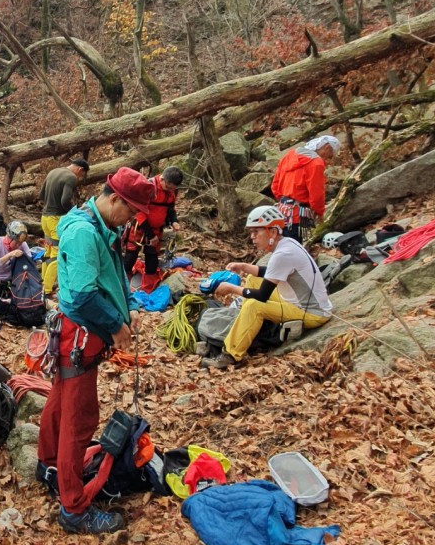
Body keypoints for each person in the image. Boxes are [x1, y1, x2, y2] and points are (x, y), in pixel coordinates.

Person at [37, 167, 154, 536]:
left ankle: (50, 465)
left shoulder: (103, 224)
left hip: (81, 334)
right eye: (131, 211)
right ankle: (73, 508)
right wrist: (115, 326)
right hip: (80, 336)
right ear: (115, 198)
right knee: (81, 419)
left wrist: (130, 304)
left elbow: (116, 272)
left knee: (60, 399)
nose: (133, 219)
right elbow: (82, 295)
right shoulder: (85, 232)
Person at [202, 204, 333, 371]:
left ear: (273, 231)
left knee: (253, 305)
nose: (252, 237)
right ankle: (243, 327)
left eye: (257, 232)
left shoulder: (282, 254)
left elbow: (263, 295)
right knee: (253, 279)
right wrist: (245, 266)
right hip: (297, 301)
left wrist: (231, 288)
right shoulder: (288, 243)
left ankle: (230, 355)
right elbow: (274, 273)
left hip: (311, 313)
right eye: (251, 232)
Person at [122, 166, 184, 291]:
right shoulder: (148, 187)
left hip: (157, 229)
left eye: (173, 189)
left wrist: (174, 221)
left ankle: (148, 289)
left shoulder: (172, 192)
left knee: (152, 259)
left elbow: (171, 209)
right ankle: (122, 287)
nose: (170, 191)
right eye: (168, 187)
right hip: (139, 227)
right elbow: (139, 212)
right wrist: (150, 235)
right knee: (130, 257)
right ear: (162, 179)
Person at [270, 134, 341, 240]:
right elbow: (316, 193)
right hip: (299, 215)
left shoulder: (289, 155)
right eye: (329, 156)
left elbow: (275, 185)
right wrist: (319, 212)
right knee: (296, 247)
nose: (328, 160)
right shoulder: (316, 163)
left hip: (281, 212)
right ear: (327, 148)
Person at [39, 157, 89, 295]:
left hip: (44, 217)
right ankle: (47, 290)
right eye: (82, 175)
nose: (79, 178)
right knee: (57, 253)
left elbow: (41, 195)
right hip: (56, 219)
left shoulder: (53, 172)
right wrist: (73, 213)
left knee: (48, 250)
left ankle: (42, 282)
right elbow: (65, 200)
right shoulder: (70, 177)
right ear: (80, 169)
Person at [0, 220, 32, 286]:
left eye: (20, 243)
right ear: (9, 238)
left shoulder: (23, 244)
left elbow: (30, 260)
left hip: (13, 281)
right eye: (16, 242)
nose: (18, 245)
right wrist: (10, 254)